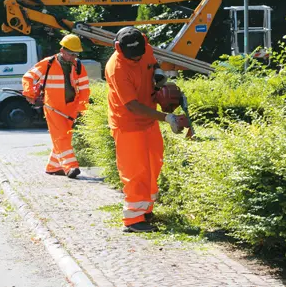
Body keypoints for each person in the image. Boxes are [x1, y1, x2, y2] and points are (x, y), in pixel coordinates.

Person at [105, 27, 188, 233]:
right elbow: (132, 106)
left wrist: (159, 75)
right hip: (128, 124)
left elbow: (153, 62)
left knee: (154, 165)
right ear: (119, 48)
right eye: (133, 57)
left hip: (148, 122)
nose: (137, 59)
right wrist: (166, 117)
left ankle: (146, 210)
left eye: (140, 54)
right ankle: (133, 220)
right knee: (135, 172)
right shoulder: (116, 67)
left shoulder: (144, 48)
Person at [22, 34, 90, 179]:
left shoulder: (78, 66)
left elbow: (84, 89)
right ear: (62, 50)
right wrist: (29, 93)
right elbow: (28, 77)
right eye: (71, 54)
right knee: (61, 138)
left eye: (76, 54)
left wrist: (83, 110)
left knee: (65, 137)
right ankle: (70, 167)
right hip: (53, 108)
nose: (73, 57)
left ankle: (53, 166)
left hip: (71, 109)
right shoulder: (48, 63)